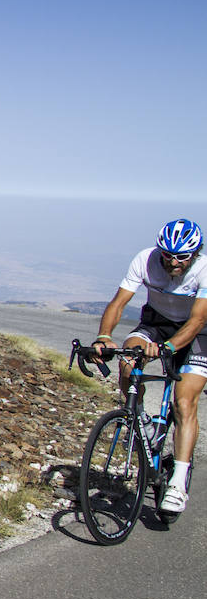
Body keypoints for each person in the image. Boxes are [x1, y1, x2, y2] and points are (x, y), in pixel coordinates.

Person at [91, 218, 207, 514]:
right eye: (168, 254)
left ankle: (178, 485)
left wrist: (168, 349)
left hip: (197, 334)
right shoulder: (145, 259)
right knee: (129, 362)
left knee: (183, 403)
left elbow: (196, 321)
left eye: (182, 256)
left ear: (195, 253)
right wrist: (104, 336)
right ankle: (140, 421)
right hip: (155, 324)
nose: (174, 261)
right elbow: (118, 302)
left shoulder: (204, 268)